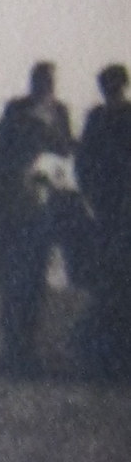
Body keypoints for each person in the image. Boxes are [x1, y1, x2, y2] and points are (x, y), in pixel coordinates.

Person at [0, 61, 75, 377]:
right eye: (42, 80)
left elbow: (66, 147)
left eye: (50, 81)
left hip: (46, 203)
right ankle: (13, 348)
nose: (46, 86)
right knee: (16, 278)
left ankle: (26, 348)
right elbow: (4, 151)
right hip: (18, 202)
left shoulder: (60, 111)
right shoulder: (17, 110)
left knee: (36, 278)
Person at [76, 63, 131, 381]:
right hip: (111, 208)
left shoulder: (97, 118)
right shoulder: (100, 118)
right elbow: (84, 161)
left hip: (111, 208)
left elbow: (84, 161)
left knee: (111, 281)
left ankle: (108, 357)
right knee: (115, 280)